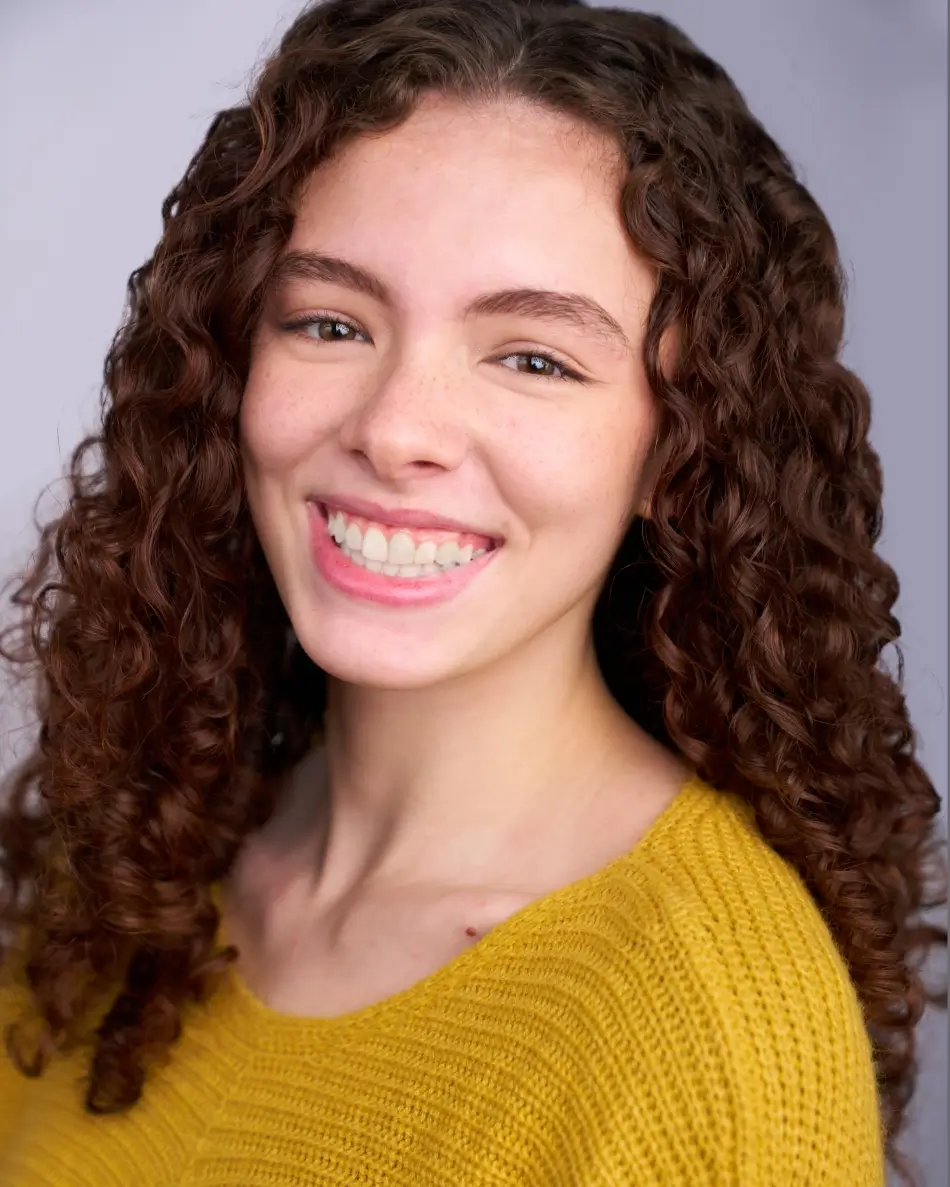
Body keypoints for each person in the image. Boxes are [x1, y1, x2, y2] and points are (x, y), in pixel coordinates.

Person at [0, 0, 944, 1183]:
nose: (396, 431)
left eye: (532, 357)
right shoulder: (126, 862)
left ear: (674, 448)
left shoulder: (709, 1024)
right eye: (331, 322)